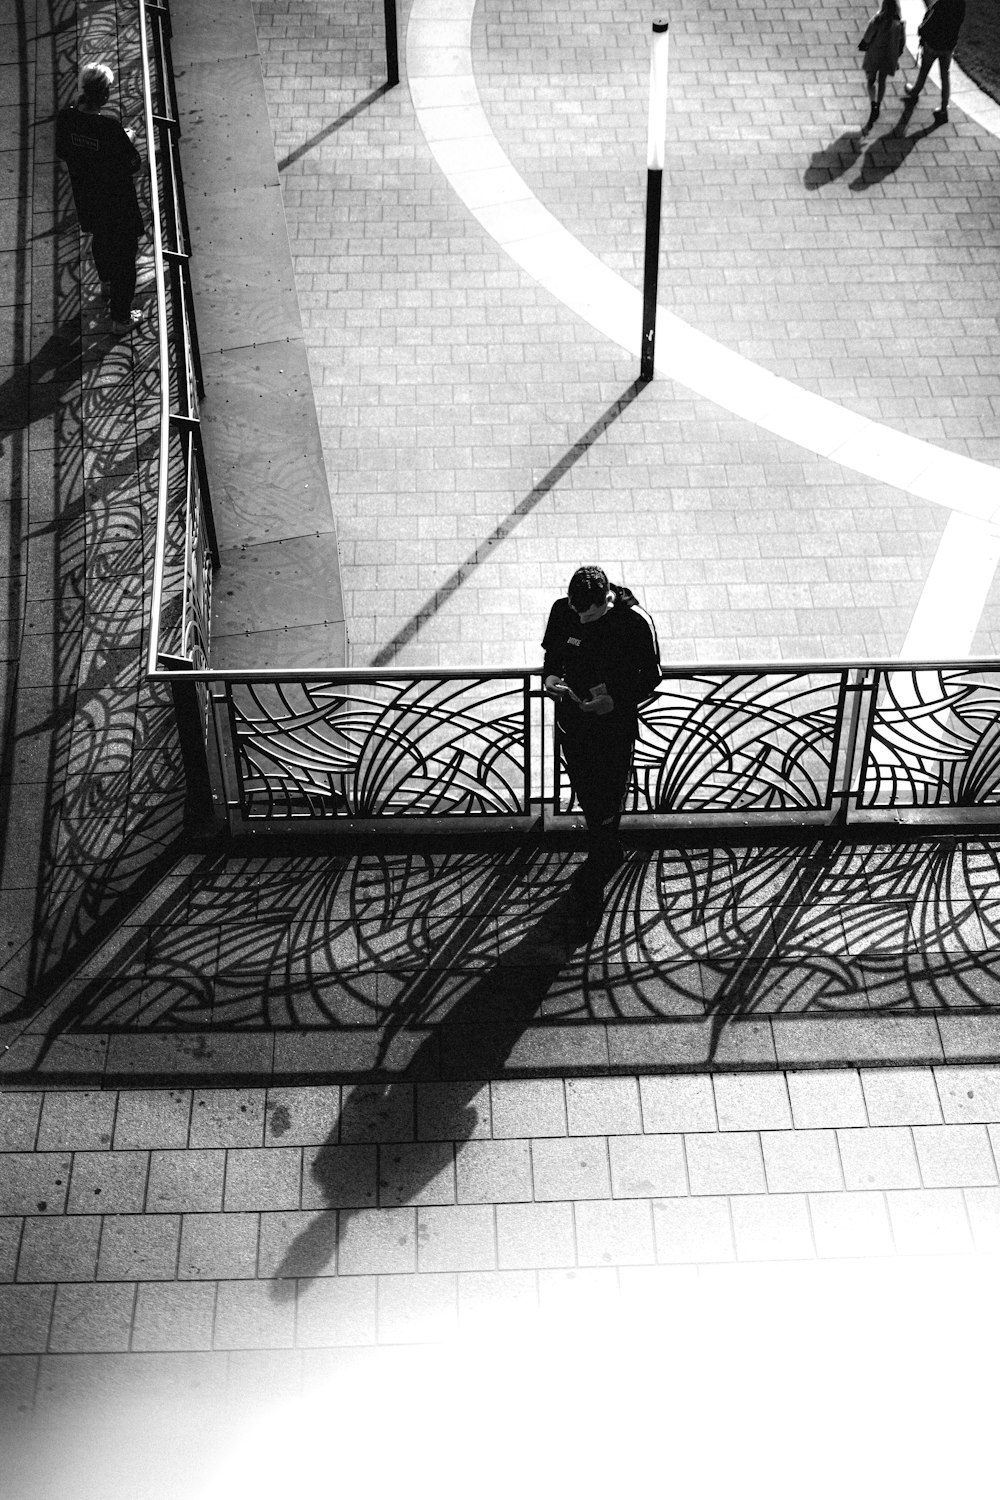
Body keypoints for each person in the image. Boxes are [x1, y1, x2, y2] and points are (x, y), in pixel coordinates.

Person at [542, 566, 661, 926]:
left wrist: (616, 700)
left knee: (609, 790)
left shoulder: (633, 621)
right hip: (573, 723)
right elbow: (552, 657)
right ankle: (604, 843)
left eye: (587, 613)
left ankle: (604, 849)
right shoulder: (564, 609)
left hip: (612, 727)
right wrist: (550, 679)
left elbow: (652, 676)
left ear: (605, 600)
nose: (579, 617)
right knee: (585, 788)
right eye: (575, 610)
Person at [56, 63, 145, 332]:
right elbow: (132, 164)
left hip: (88, 198)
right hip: (117, 202)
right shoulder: (109, 128)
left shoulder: (66, 118)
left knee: (101, 238)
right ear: (105, 95)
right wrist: (126, 138)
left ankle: (106, 282)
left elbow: (63, 150)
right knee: (126, 257)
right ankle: (121, 317)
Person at [903, 0, 967, 124]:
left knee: (924, 69)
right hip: (948, 46)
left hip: (933, 44)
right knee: (945, 75)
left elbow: (930, 21)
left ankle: (915, 91)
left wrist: (921, 30)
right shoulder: (961, 4)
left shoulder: (942, 3)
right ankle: (944, 108)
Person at [857, 0, 906, 134]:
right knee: (882, 81)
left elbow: (867, 37)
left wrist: (864, 44)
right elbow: (902, 43)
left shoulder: (877, 21)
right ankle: (878, 103)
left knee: (871, 80)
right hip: (888, 57)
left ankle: (873, 103)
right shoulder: (899, 25)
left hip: (874, 54)